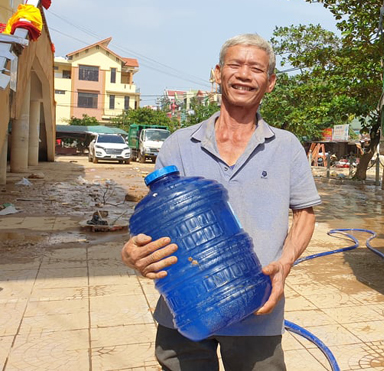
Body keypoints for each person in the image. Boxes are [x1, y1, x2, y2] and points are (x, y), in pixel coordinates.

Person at [121, 33, 321, 370]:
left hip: (257, 311)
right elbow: (161, 218)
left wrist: (284, 264)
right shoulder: (179, 145)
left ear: (269, 82)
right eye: (235, 65)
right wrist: (133, 253)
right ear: (217, 73)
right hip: (185, 313)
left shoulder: (286, 146)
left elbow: (304, 214)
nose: (244, 75)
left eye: (256, 69)